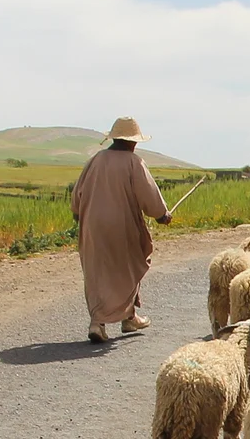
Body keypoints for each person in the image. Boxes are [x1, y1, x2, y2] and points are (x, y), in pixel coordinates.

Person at [70, 117, 173, 342]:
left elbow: (77, 194)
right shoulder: (134, 162)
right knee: (129, 267)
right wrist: (162, 215)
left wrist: (78, 213)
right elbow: (149, 194)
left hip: (92, 226)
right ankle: (127, 317)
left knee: (97, 272)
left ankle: (102, 322)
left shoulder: (95, 160)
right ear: (131, 141)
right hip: (122, 225)